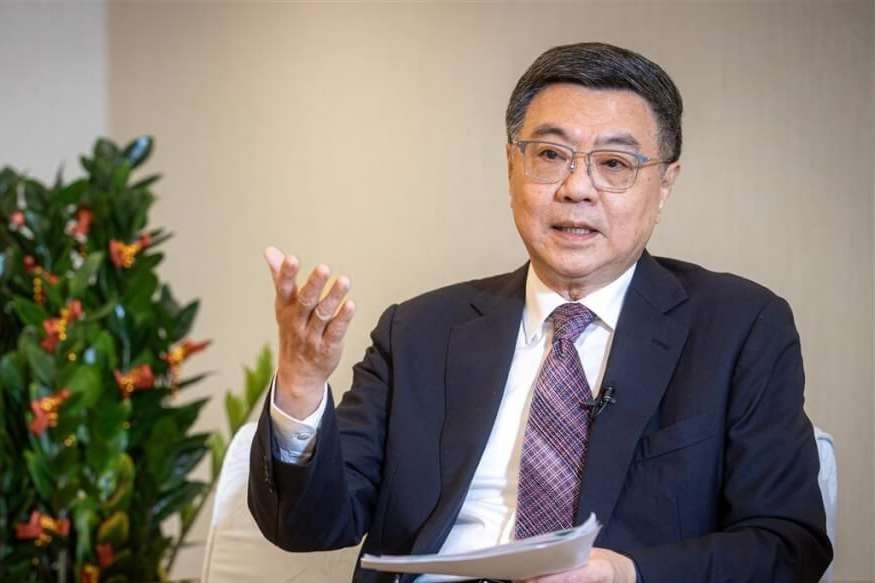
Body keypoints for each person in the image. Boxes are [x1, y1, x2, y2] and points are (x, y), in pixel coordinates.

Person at [248, 42, 832, 583]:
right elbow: (308, 526)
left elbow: (787, 545)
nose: (577, 188)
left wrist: (625, 574)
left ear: (664, 186)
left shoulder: (738, 328)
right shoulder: (420, 332)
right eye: (551, 155)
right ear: (511, 169)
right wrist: (301, 386)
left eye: (614, 164)